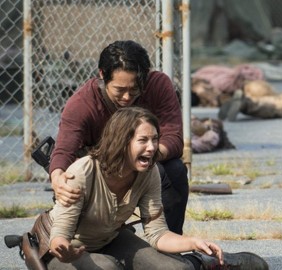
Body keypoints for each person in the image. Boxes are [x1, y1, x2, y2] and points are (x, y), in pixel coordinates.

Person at [46, 106, 268, 269]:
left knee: (176, 268)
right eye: (143, 140)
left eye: (155, 139)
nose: (152, 147)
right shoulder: (82, 172)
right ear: (122, 142)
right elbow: (59, 237)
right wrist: (65, 251)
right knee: (107, 268)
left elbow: (158, 234)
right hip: (65, 250)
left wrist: (194, 242)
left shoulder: (149, 172)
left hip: (110, 239)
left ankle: (202, 262)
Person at [49, 40, 189, 234]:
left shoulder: (158, 85)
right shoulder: (82, 104)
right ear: (102, 75)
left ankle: (169, 238)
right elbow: (64, 150)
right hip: (103, 175)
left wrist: (145, 155)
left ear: (145, 77)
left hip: (145, 166)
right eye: (119, 90)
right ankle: (101, 231)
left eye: (134, 89)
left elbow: (174, 137)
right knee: (73, 178)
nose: (127, 97)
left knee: (175, 170)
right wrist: (57, 178)